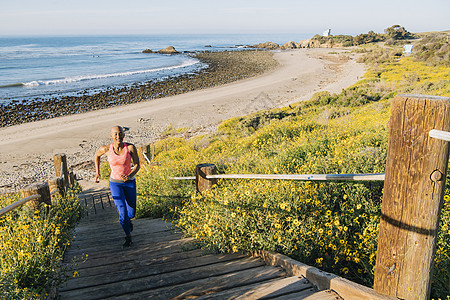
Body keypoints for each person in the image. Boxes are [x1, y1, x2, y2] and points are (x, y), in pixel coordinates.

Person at [94, 126, 140, 247]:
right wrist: (97, 172)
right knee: (122, 213)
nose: (118, 136)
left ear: (124, 135)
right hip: (115, 183)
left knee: (132, 212)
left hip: (129, 183)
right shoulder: (106, 149)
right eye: (115, 134)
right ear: (111, 136)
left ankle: (128, 221)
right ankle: (128, 236)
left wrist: (130, 175)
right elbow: (97, 156)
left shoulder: (130, 148)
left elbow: (137, 165)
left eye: (120, 134)